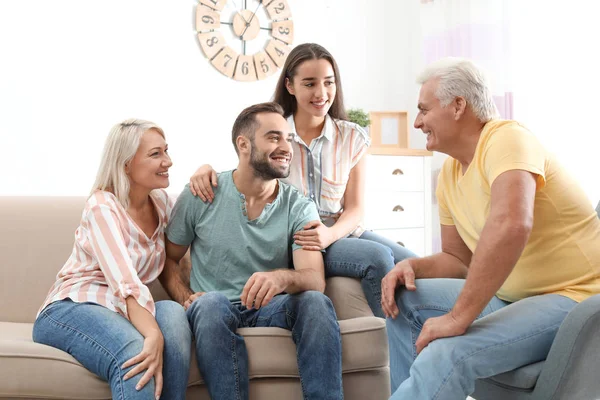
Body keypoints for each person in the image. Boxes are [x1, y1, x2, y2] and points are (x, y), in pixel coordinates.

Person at [381, 57, 600, 399]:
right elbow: (458, 259)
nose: (418, 122)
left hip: (575, 295)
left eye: (424, 110)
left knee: (447, 353)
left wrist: (458, 317)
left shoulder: (507, 139)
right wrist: (412, 266)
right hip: (511, 297)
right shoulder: (451, 173)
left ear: (458, 106)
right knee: (403, 298)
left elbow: (513, 223)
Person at [189, 43, 417, 317]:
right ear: (290, 85)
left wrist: (329, 235)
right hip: (298, 241)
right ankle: (390, 339)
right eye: (309, 84)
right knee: (378, 258)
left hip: (340, 231)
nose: (321, 93)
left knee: (416, 265)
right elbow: (246, 169)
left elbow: (355, 208)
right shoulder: (276, 134)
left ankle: (423, 339)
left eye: (328, 83)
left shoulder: (352, 137)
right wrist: (204, 168)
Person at [160, 102, 343, 400]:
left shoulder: (299, 206)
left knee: (314, 303)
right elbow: (168, 258)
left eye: (288, 138)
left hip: (271, 307)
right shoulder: (202, 194)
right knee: (208, 306)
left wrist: (282, 279)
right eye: (274, 137)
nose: (286, 147)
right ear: (243, 145)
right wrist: (185, 298)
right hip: (214, 307)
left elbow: (314, 279)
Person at [32, 120, 192, 400]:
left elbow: (199, 217)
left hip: (122, 311)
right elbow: (125, 284)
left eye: (166, 151)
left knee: (175, 318)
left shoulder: (163, 204)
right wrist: (153, 335)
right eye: (156, 154)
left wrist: (204, 174)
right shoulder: (102, 206)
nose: (168, 161)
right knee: (136, 350)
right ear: (126, 163)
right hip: (71, 308)